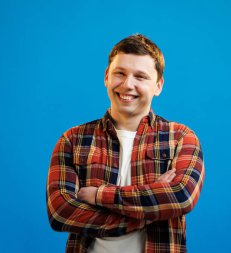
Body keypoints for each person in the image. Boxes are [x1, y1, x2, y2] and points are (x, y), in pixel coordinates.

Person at [46, 34, 205, 253]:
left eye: (140, 77)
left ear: (158, 86)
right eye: (120, 73)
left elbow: (180, 196)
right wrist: (150, 208)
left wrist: (98, 195)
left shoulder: (180, 138)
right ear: (106, 77)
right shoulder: (73, 139)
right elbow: (60, 212)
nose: (128, 84)